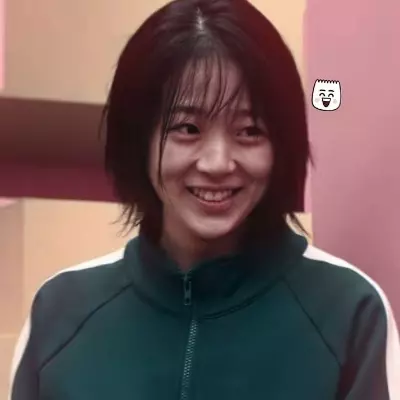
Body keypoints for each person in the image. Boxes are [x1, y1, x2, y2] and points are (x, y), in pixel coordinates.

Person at [9, 0, 400, 399]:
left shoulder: (349, 312)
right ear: (139, 138)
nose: (217, 163)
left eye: (249, 131)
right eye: (187, 128)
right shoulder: (60, 313)